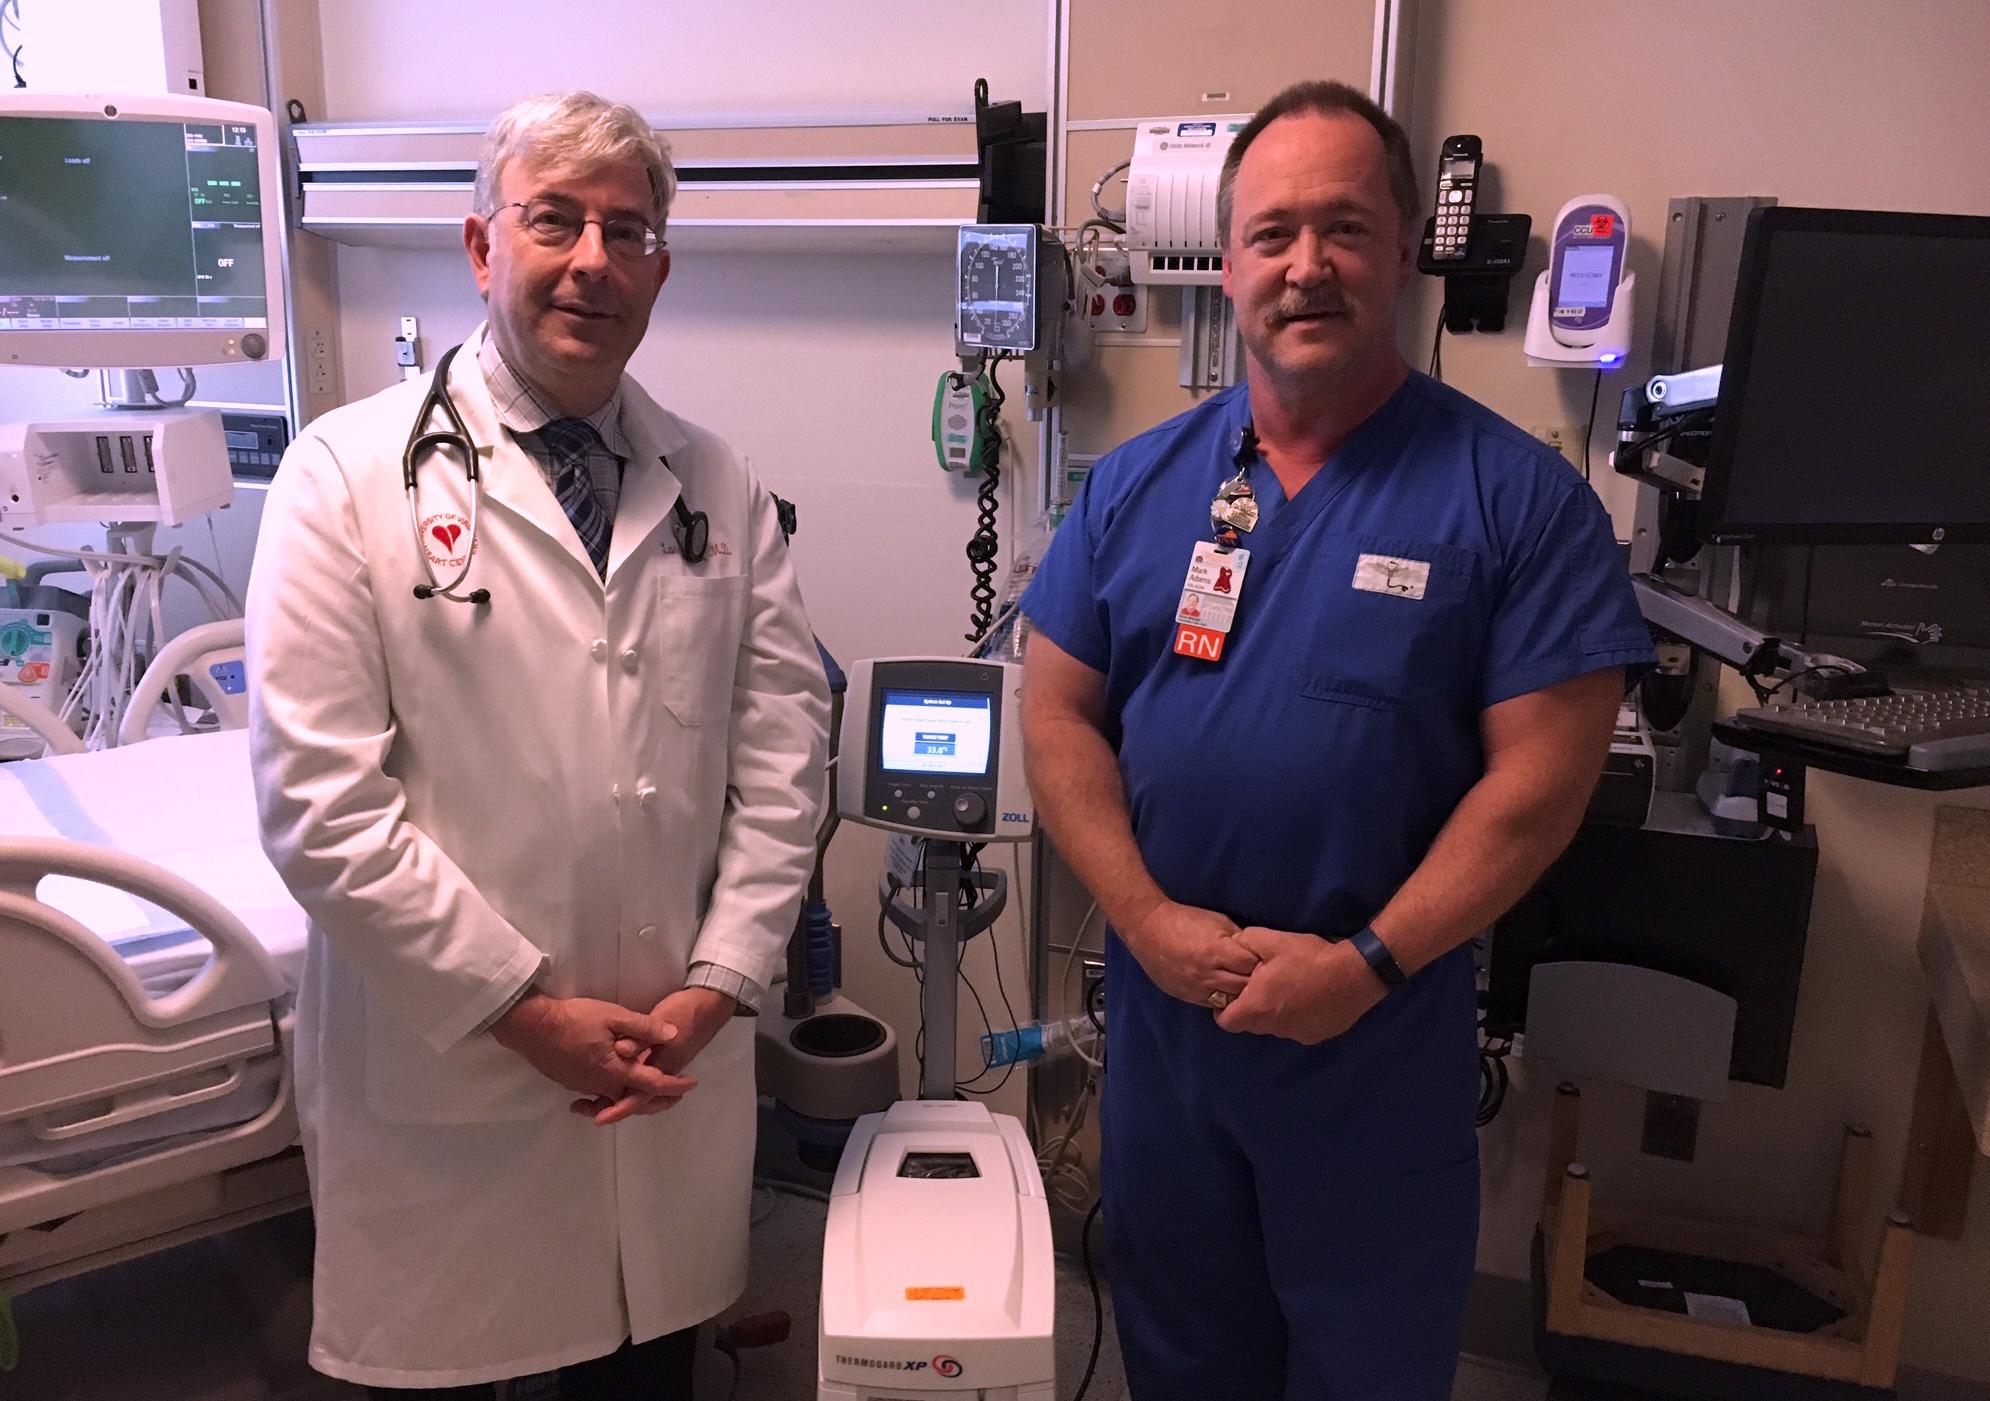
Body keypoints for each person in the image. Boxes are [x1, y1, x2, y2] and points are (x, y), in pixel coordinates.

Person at [1019, 79, 1654, 1400]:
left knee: (1365, 1366)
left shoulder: (1515, 502)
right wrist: (1142, 918)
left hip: (1371, 1037)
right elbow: (1058, 712)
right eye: (1272, 233)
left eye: (1345, 228)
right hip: (1168, 1029)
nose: (1305, 265)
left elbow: (1540, 785)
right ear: (1228, 262)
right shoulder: (1136, 486)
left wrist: (1368, 962)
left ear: (1406, 245)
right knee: (1179, 1354)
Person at [246, 91, 828, 1398]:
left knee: (643, 1370)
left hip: (669, 1054)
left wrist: (722, 979)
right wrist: (523, 1011)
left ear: (660, 270)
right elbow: (319, 806)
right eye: (554, 221)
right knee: (459, 1358)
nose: (592, 261)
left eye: (628, 233)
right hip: (454, 1072)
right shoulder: (345, 476)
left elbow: (785, 750)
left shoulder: (717, 484)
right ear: (480, 245)